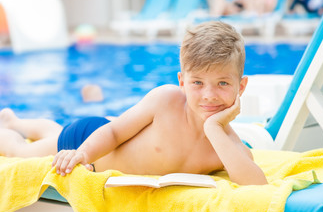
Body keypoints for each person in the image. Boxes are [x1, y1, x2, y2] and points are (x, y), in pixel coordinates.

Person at [0, 21, 268, 186]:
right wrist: (83, 154)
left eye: (222, 83)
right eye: (198, 83)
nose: (209, 95)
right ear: (182, 82)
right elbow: (115, 132)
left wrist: (213, 129)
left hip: (98, 138)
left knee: (53, 133)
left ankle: (18, 121)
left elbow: (257, 186)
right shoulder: (167, 100)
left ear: (240, 87)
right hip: (90, 138)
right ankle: (10, 126)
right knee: (22, 152)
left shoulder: (227, 144)